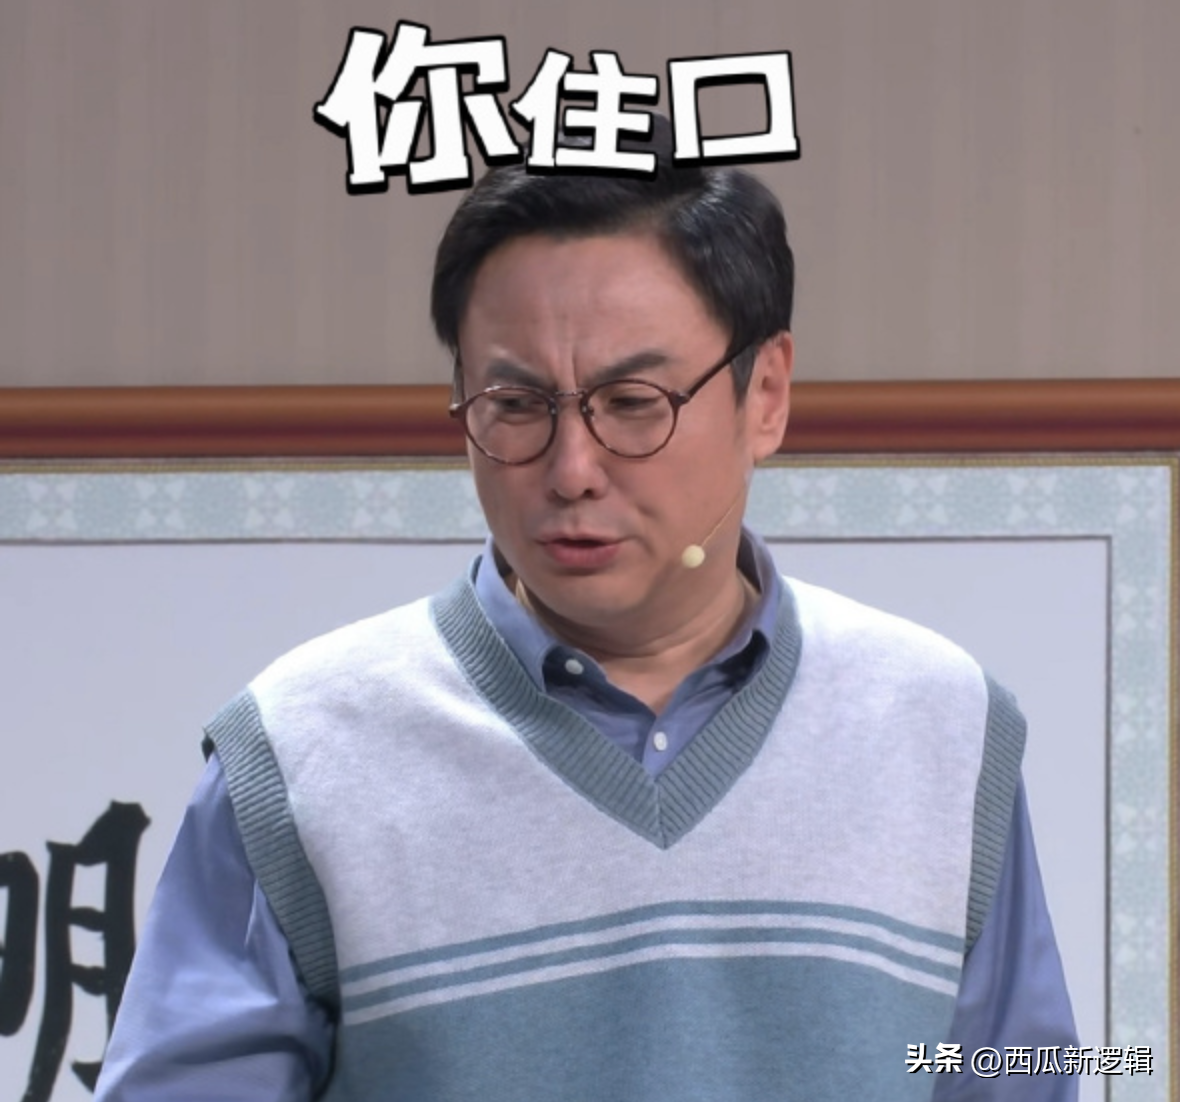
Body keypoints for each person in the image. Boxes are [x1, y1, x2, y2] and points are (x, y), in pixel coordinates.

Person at [95, 116, 1077, 1101]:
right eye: (516, 405)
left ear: (767, 394)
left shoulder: (941, 725)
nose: (571, 470)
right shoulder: (303, 753)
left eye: (634, 402)